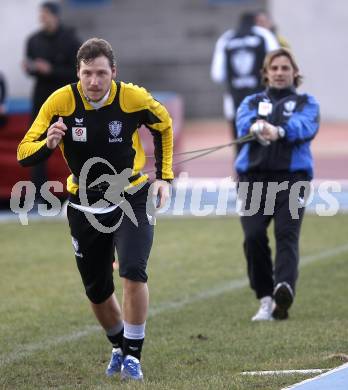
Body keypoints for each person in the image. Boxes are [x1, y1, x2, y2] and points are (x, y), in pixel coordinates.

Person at [18, 37, 174, 381]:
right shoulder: (60, 101)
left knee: (133, 271)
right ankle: (118, 345)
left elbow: (163, 124)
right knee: (97, 290)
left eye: (101, 73)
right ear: (78, 73)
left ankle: (133, 355)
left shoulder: (132, 97)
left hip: (131, 195)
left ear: (113, 73)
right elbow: (23, 151)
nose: (94, 81)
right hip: (84, 203)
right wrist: (49, 143)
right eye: (87, 73)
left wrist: (163, 177)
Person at [234, 48, 320, 321]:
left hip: (292, 179)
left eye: (285, 68)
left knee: (286, 235)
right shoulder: (251, 101)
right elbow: (243, 123)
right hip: (253, 179)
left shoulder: (308, 102)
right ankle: (265, 298)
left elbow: (305, 126)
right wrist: (256, 128)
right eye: (275, 68)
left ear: (295, 73)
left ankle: (283, 289)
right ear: (266, 73)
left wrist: (279, 131)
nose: (280, 73)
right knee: (253, 236)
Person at [22, 1, 81, 201]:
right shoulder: (33, 40)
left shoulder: (71, 39)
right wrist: (30, 68)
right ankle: (39, 193)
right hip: (41, 98)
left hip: (66, 98)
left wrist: (51, 70)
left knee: (77, 142)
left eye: (45, 14)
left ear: (55, 16)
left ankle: (80, 188)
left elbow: (78, 72)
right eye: (41, 14)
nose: (42, 18)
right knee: (38, 143)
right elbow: (31, 66)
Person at [210, 11, 279, 155]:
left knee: (240, 144)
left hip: (234, 103)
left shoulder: (226, 38)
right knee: (265, 142)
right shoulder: (264, 35)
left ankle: (243, 175)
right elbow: (277, 65)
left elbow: (217, 75)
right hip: (263, 102)